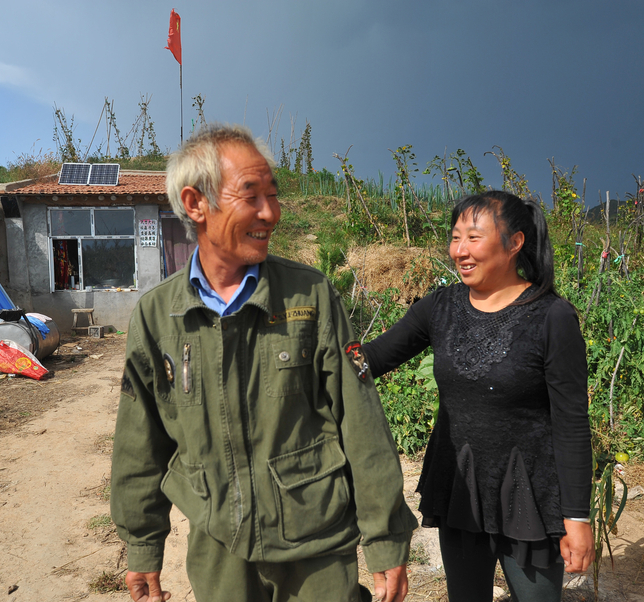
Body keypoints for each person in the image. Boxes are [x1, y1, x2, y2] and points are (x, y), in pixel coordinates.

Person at [110, 123, 417, 602]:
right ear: (195, 204)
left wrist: (385, 540)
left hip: (317, 547)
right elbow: (138, 441)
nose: (270, 213)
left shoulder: (310, 295)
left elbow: (362, 424)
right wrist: (142, 546)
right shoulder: (156, 316)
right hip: (219, 552)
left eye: (273, 195)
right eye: (250, 196)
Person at [363, 191, 594, 602]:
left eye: (473, 237)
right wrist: (312, 348)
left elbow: (572, 422)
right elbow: (373, 358)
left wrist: (577, 516)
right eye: (455, 238)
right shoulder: (441, 306)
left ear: (515, 242)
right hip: (460, 485)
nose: (460, 251)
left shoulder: (552, 317)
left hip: (530, 493)